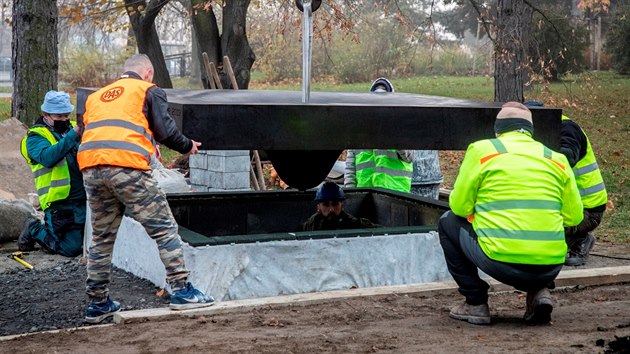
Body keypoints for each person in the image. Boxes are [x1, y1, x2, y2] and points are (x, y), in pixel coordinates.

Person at [77, 54, 214, 324]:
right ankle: (182, 291)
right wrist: (188, 146)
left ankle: (98, 303)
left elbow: (90, 131)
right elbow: (165, 131)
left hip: (91, 168)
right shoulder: (149, 90)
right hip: (126, 167)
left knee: (102, 239)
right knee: (164, 228)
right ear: (148, 72)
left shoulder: (97, 96)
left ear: (124, 71)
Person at [438, 102, 583, 325]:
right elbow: (574, 217)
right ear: (531, 131)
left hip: (501, 263)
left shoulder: (482, 151)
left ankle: (475, 303)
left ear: (498, 130)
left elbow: (459, 207)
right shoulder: (557, 159)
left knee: (447, 222)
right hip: (550, 267)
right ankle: (539, 293)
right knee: (540, 230)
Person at [524, 101, 607, 267]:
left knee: (537, 231)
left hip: (586, 210)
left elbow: (566, 158)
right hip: (564, 205)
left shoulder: (568, 129)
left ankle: (580, 238)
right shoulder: (539, 130)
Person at [18, 90, 86, 257]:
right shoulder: (35, 137)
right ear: (45, 114)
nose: (64, 119)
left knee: (87, 242)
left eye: (66, 115)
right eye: (59, 116)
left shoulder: (71, 128)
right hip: (59, 204)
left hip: (82, 198)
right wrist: (73, 135)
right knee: (69, 249)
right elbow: (48, 157)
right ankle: (34, 229)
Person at [344, 78, 414, 193]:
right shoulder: (360, 130)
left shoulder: (400, 127)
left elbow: (409, 157)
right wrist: (351, 194)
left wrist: (392, 128)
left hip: (395, 193)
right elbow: (350, 169)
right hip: (364, 194)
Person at [303, 181, 379, 231]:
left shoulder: (353, 224)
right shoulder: (311, 225)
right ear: (318, 207)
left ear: (342, 206)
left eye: (335, 204)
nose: (331, 209)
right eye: (326, 205)